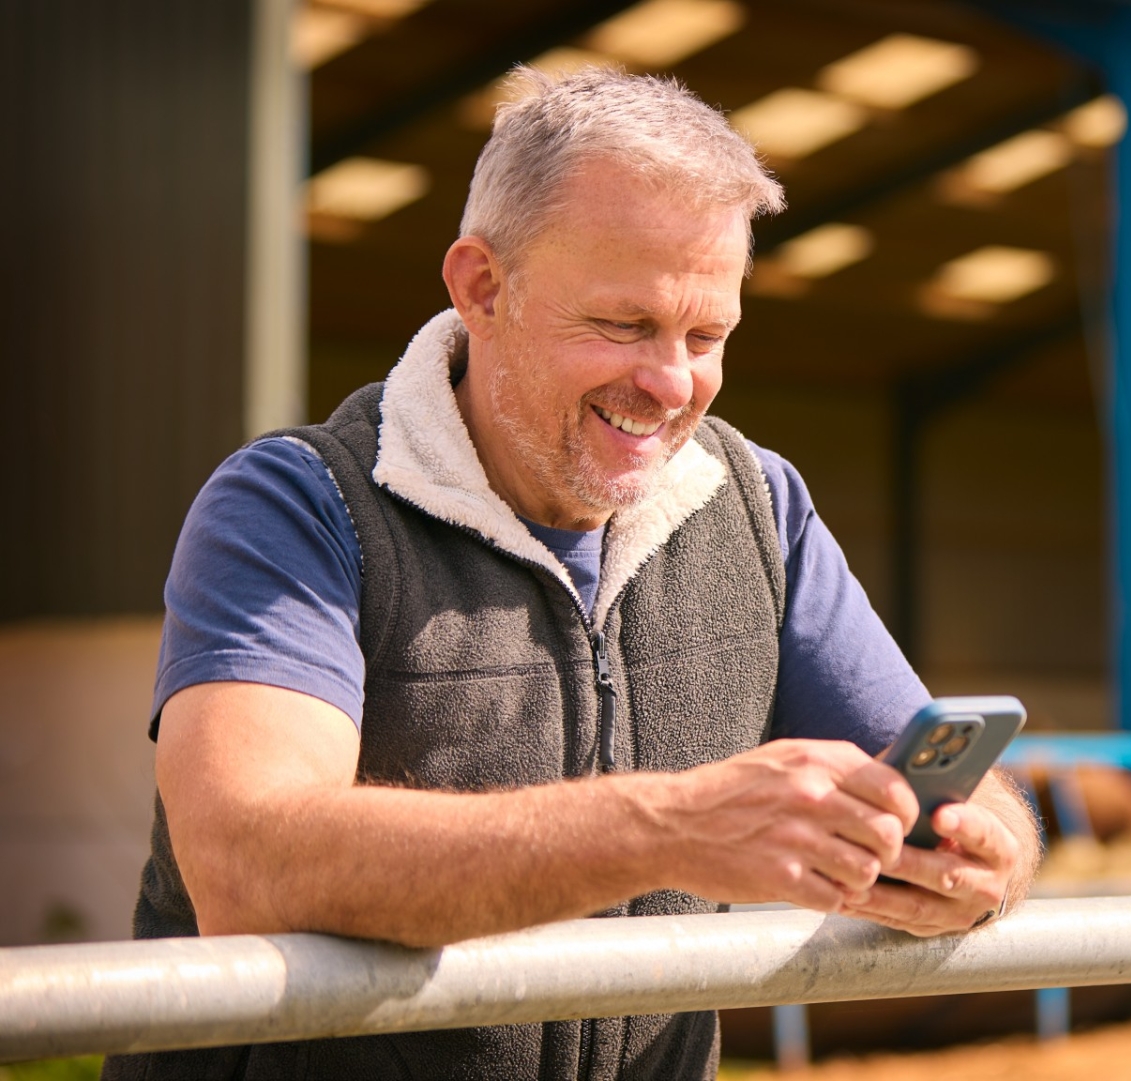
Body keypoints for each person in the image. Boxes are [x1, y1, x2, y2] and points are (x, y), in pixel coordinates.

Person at [103, 68, 1041, 1081]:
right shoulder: (299, 507)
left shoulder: (758, 505)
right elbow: (248, 862)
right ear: (481, 286)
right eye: (624, 325)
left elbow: (967, 783)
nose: (671, 382)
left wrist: (986, 852)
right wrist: (670, 829)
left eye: (707, 335)